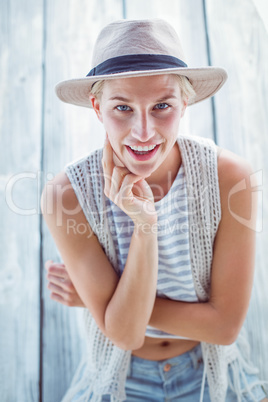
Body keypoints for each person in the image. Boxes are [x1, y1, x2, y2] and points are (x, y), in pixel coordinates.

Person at [41, 18, 267, 402]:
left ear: (185, 102)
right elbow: (125, 338)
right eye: (122, 108)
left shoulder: (230, 179)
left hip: (208, 369)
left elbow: (225, 327)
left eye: (162, 105)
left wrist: (107, 305)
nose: (143, 132)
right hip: (120, 373)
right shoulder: (67, 195)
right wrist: (144, 225)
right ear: (97, 108)